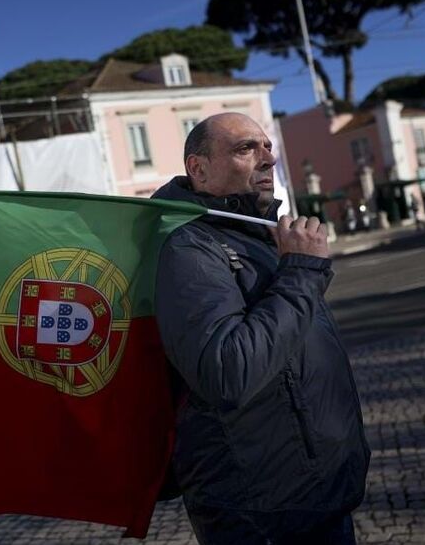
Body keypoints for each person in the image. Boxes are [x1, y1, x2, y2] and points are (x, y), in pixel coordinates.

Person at [151, 113, 369, 545]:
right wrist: (303, 271)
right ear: (199, 169)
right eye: (245, 148)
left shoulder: (258, 234)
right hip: (262, 509)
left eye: (267, 147)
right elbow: (229, 372)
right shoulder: (188, 247)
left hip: (311, 492)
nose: (268, 159)